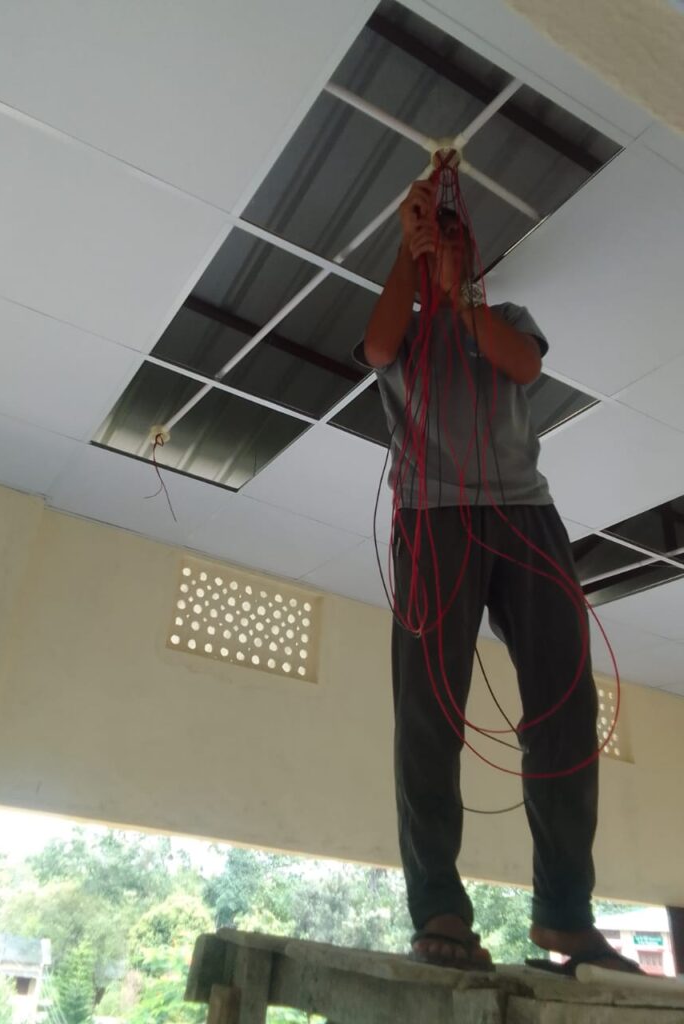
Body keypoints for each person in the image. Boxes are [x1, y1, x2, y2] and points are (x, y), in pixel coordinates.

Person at [356, 175, 641, 974]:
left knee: (565, 702)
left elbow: (522, 366)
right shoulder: (407, 330)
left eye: (454, 241)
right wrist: (407, 253)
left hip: (525, 513)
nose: (443, 251)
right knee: (429, 712)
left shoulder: (505, 319)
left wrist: (460, 293)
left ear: (473, 254)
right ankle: (439, 909)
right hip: (433, 519)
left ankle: (564, 915)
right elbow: (376, 349)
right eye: (434, 241)